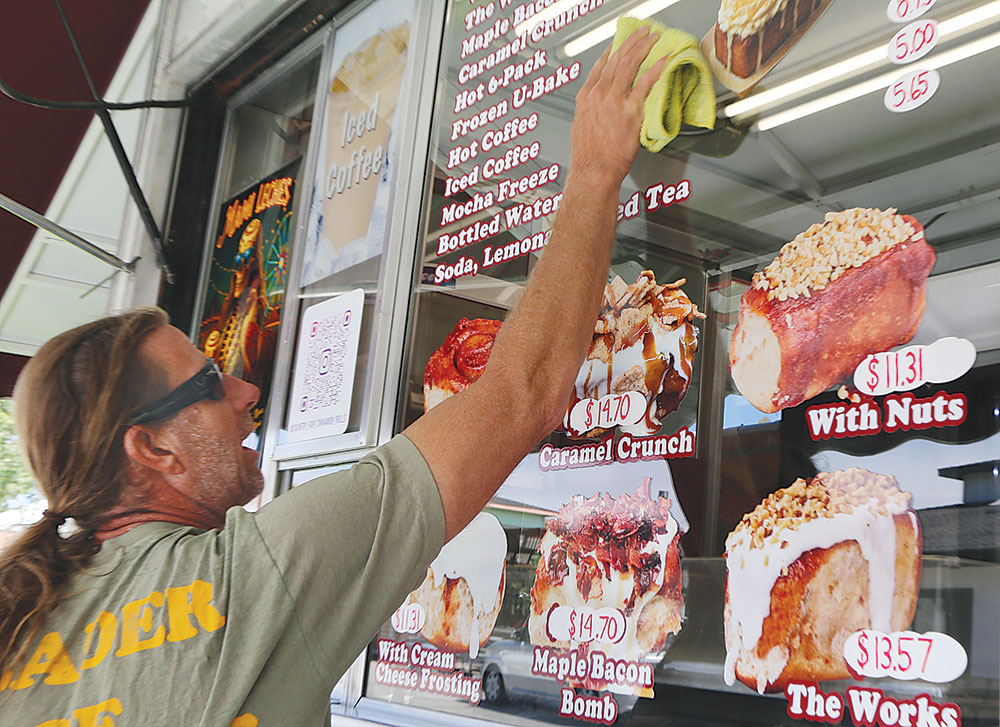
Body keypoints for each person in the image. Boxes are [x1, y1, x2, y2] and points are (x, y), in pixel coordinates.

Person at [0, 30, 665, 727]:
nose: (245, 390)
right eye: (207, 384)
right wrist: (593, 171)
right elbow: (522, 393)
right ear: (153, 450)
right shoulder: (255, 577)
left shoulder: (25, 622)